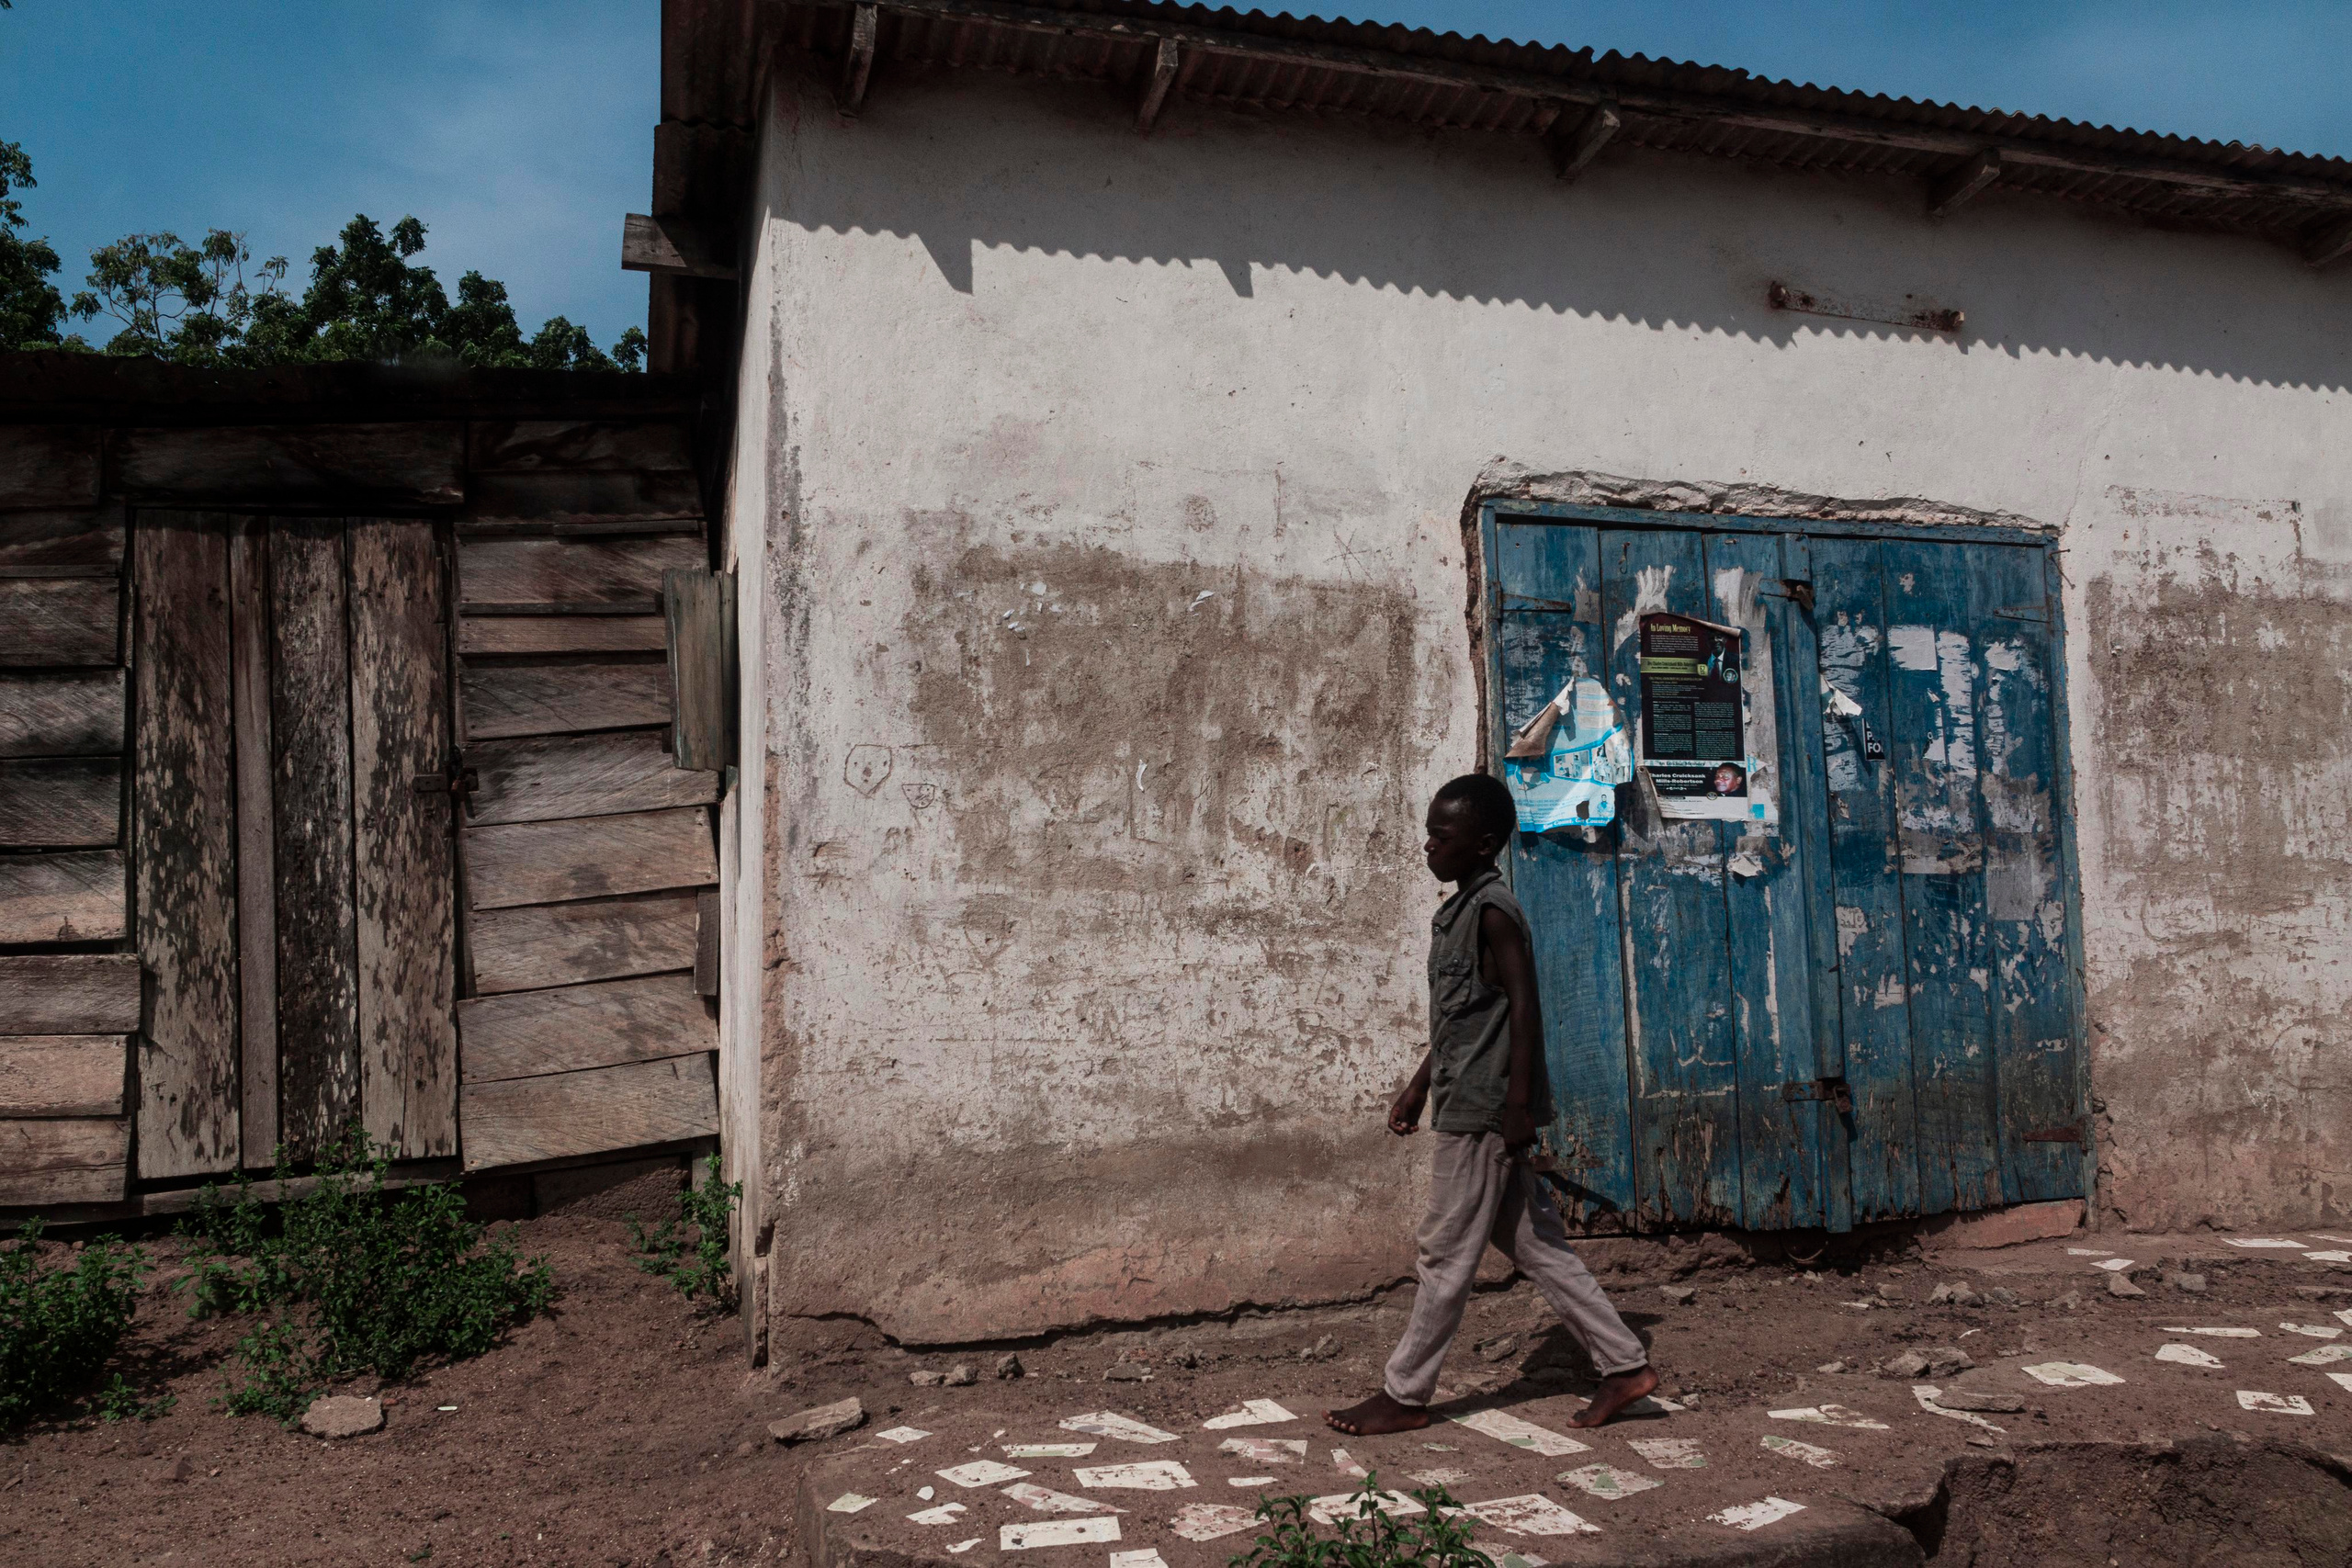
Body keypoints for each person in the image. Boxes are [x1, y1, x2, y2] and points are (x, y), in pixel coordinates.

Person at [1327, 773, 1657, 1436]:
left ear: (1482, 845)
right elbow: (1464, 1017)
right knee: (1537, 1246)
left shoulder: (1495, 911)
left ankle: (1406, 1392)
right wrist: (1419, 1085)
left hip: (1483, 1112)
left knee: (1445, 1252)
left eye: (1441, 837)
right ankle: (1624, 1365)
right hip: (1462, 1097)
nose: (1428, 846)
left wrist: (1516, 1107)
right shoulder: (1456, 912)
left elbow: (1526, 1008)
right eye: (1429, 833)